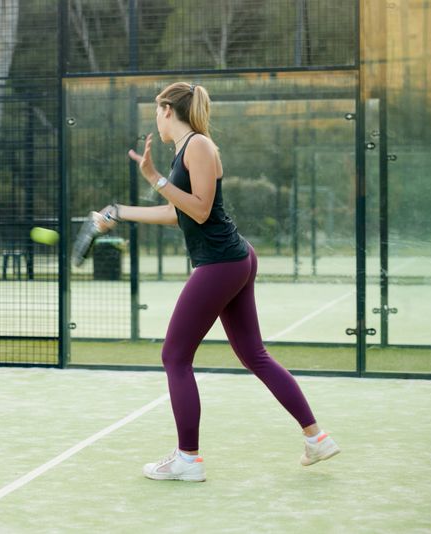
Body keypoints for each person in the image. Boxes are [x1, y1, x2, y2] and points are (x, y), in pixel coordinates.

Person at [96, 82, 340, 482]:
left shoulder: (200, 147)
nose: (155, 118)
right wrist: (119, 211)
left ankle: (188, 459)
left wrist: (154, 177)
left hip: (223, 263)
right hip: (231, 260)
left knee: (175, 356)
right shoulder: (184, 151)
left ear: (169, 110)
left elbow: (202, 210)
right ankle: (316, 438)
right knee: (252, 354)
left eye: (157, 110)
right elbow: (179, 214)